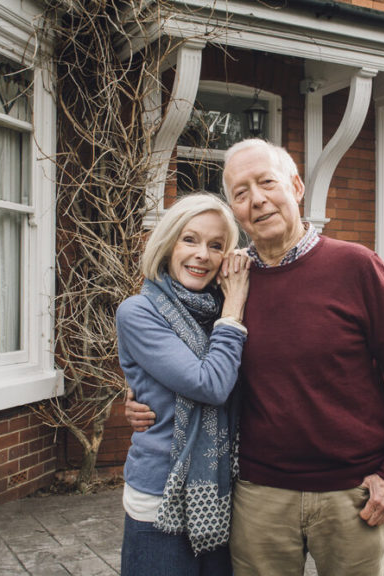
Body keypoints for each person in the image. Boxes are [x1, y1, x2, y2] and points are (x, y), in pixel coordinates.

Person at [127, 139, 384, 576]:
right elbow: (188, 357)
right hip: (257, 497)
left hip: (351, 496)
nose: (257, 199)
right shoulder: (226, 283)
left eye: (266, 182)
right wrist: (140, 399)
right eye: (240, 192)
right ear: (234, 208)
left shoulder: (357, 267)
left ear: (296, 186)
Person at [116, 192, 250, 576]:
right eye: (189, 239)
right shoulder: (138, 311)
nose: (202, 255)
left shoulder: (219, 309)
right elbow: (209, 384)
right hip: (160, 498)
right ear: (167, 243)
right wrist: (233, 313)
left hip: (222, 497)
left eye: (216, 245)